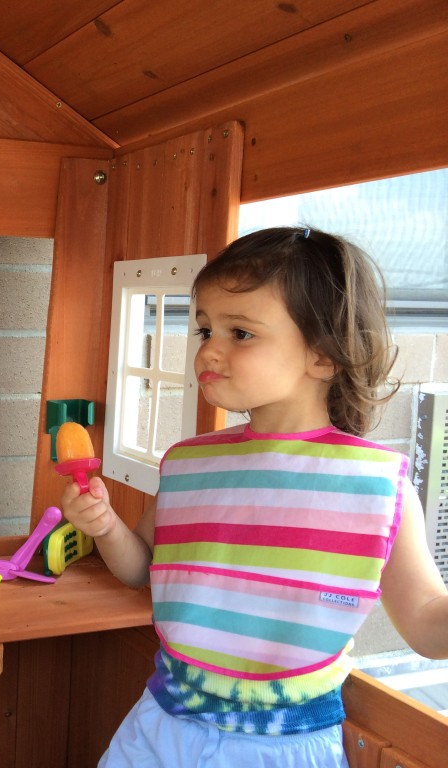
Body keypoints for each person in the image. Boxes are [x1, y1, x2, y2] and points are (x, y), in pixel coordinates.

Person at [61, 226, 448, 767]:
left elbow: (428, 623)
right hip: (158, 726)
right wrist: (104, 526)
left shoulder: (378, 483)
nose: (209, 350)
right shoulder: (189, 463)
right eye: (204, 330)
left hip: (286, 747)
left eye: (240, 333)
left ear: (324, 356)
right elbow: (141, 569)